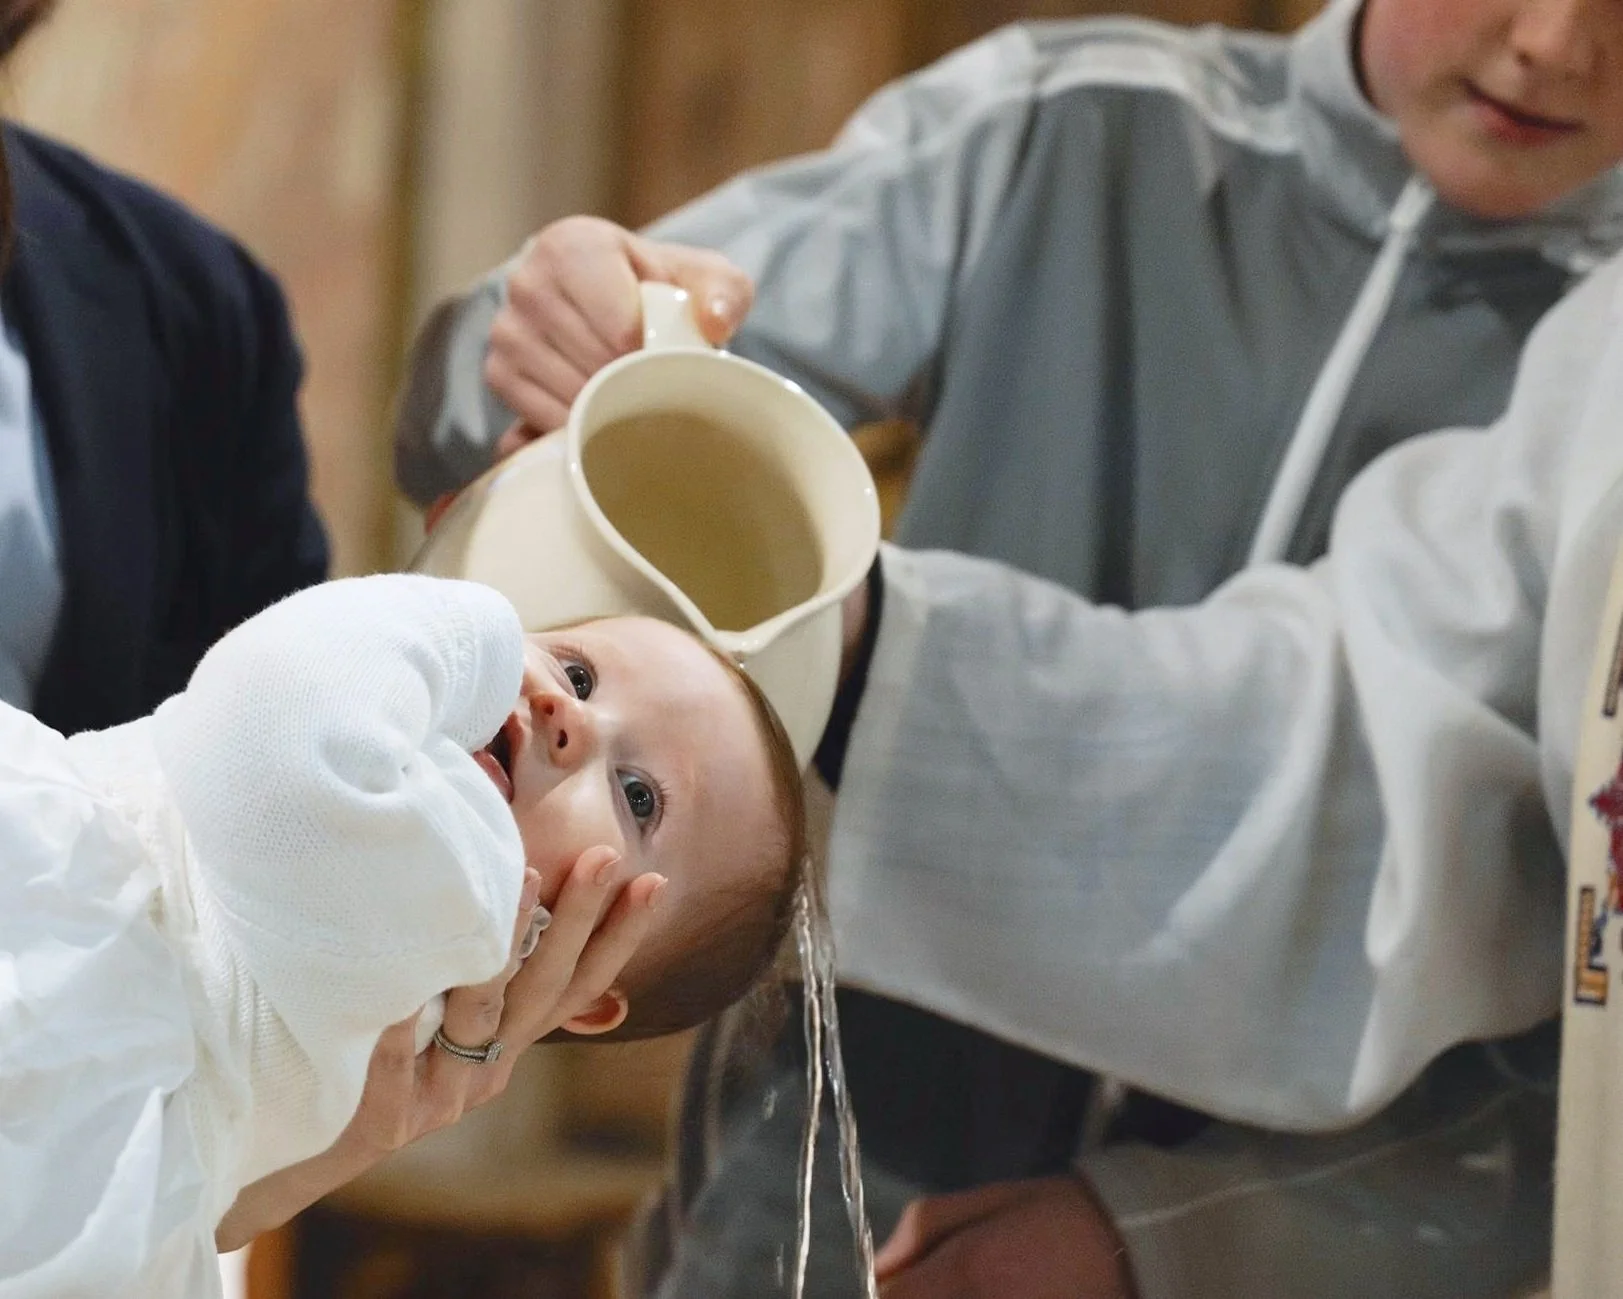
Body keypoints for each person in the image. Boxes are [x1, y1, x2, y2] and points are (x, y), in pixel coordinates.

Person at [392, 0, 1623, 1292]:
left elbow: (1568, 1041)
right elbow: (523, 401)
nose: (1553, 44)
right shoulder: (1072, 128)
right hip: (790, 1219)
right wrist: (531, 337)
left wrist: (1183, 1236)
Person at [0, 573, 807, 1298]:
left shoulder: (438, 888)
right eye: (579, 674)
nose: (569, 717)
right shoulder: (410, 924)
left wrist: (482, 625)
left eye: (637, 796)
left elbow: (281, 698)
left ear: (588, 982)